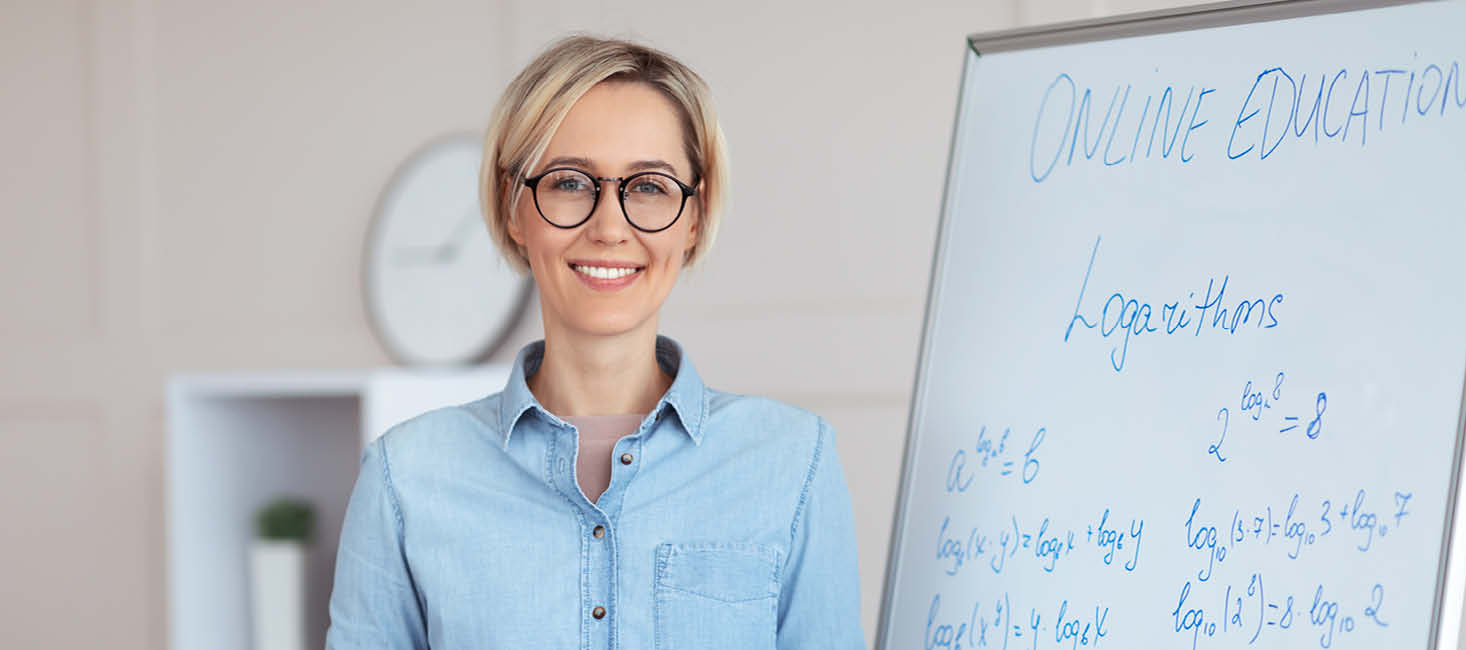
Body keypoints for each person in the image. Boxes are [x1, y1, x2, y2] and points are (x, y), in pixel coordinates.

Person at [325, 34, 864, 649]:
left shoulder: (793, 463)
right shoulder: (407, 477)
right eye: (571, 183)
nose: (609, 227)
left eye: (650, 187)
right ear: (512, 207)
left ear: (694, 215)